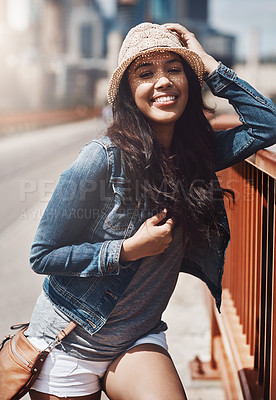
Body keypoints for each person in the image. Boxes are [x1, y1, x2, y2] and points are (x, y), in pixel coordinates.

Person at [25, 22, 276, 400]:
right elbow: (42, 255)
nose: (163, 82)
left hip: (136, 339)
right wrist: (127, 250)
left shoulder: (200, 154)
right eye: (146, 73)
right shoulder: (101, 159)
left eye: (175, 69)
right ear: (128, 91)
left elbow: (267, 124)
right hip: (68, 341)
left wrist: (208, 64)